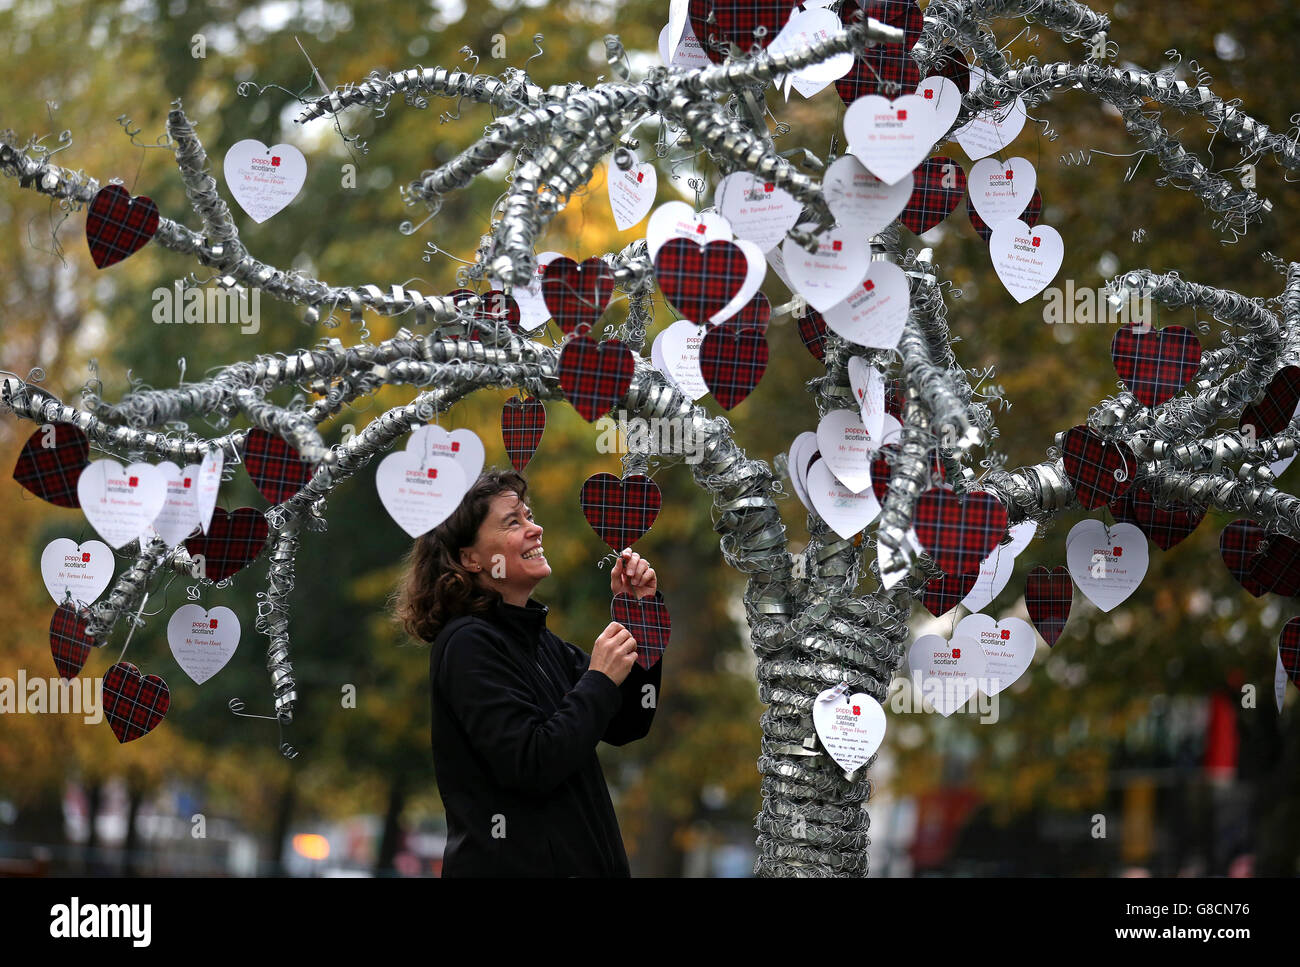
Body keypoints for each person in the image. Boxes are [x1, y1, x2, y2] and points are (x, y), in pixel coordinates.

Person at [393, 467, 662, 877]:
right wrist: (599, 679)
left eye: (529, 515)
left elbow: (627, 723)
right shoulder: (469, 644)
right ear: (470, 558)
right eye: (513, 521)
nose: (535, 529)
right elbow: (531, 762)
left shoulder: (541, 643)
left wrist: (639, 617)